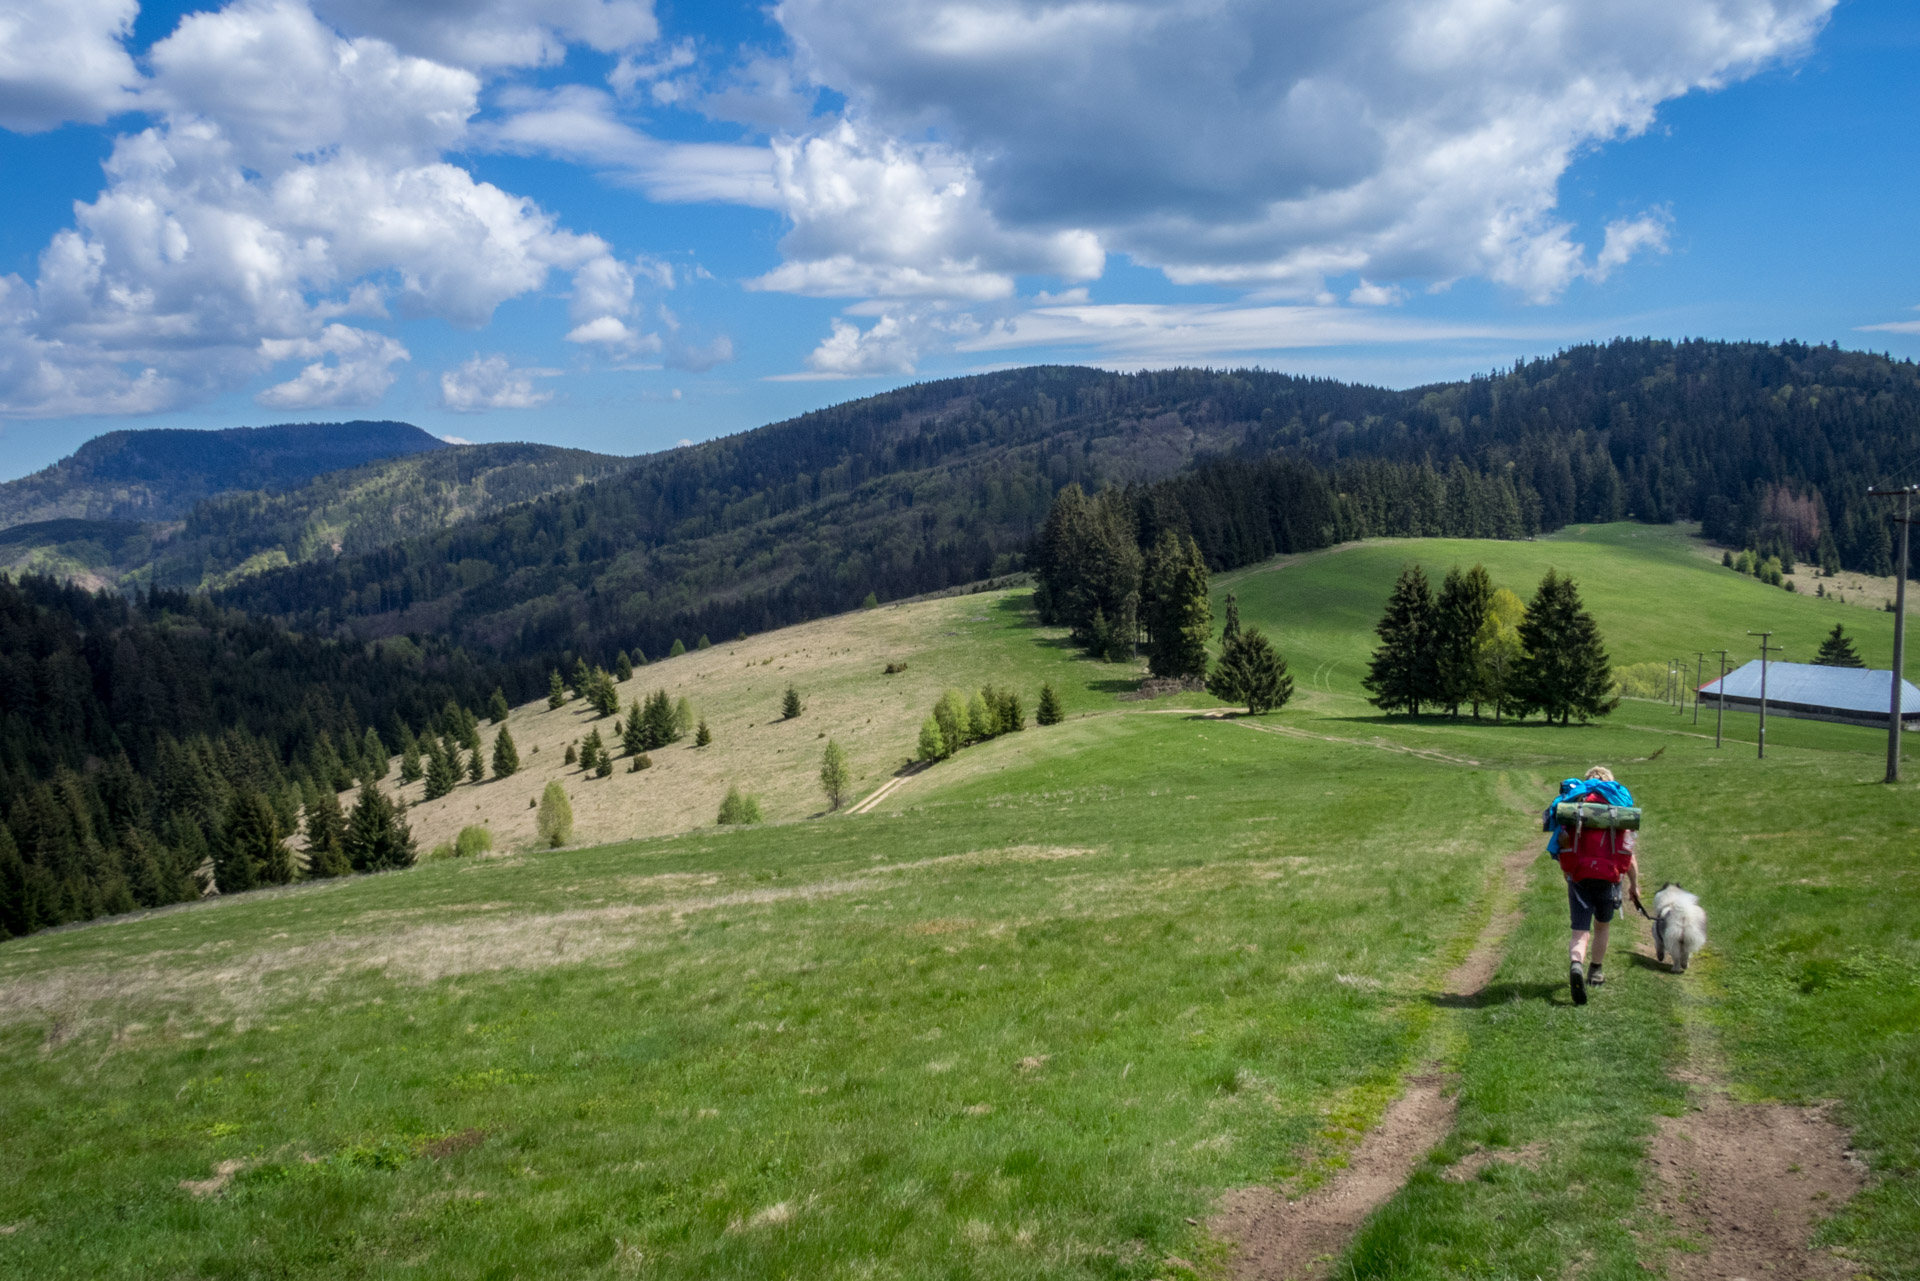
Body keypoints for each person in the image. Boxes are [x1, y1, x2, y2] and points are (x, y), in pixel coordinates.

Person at [1544, 766, 1642, 1006]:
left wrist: (1567, 873)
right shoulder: (1617, 809)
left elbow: (1562, 843)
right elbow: (1628, 853)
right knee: (1602, 926)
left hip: (1578, 877)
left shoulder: (1575, 806)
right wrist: (1634, 885)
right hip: (1609, 878)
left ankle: (1576, 963)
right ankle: (1595, 971)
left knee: (1580, 930)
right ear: (1611, 783)